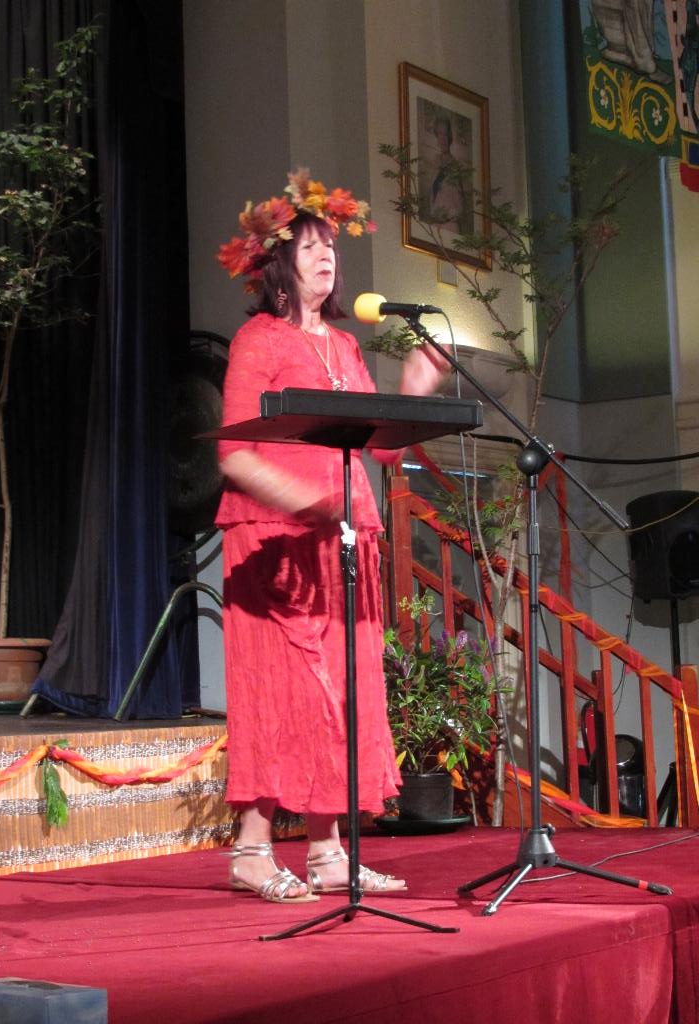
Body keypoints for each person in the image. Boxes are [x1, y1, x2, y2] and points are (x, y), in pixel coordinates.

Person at [215, 168, 448, 903]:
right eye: (311, 246)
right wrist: (306, 502)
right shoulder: (257, 339)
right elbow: (234, 453)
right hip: (274, 542)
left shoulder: (345, 348)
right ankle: (251, 851)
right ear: (279, 263)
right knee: (285, 692)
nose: (327, 258)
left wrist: (413, 389)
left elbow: (379, 449)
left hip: (344, 539)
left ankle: (327, 853)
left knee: (343, 690)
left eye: (332, 248)